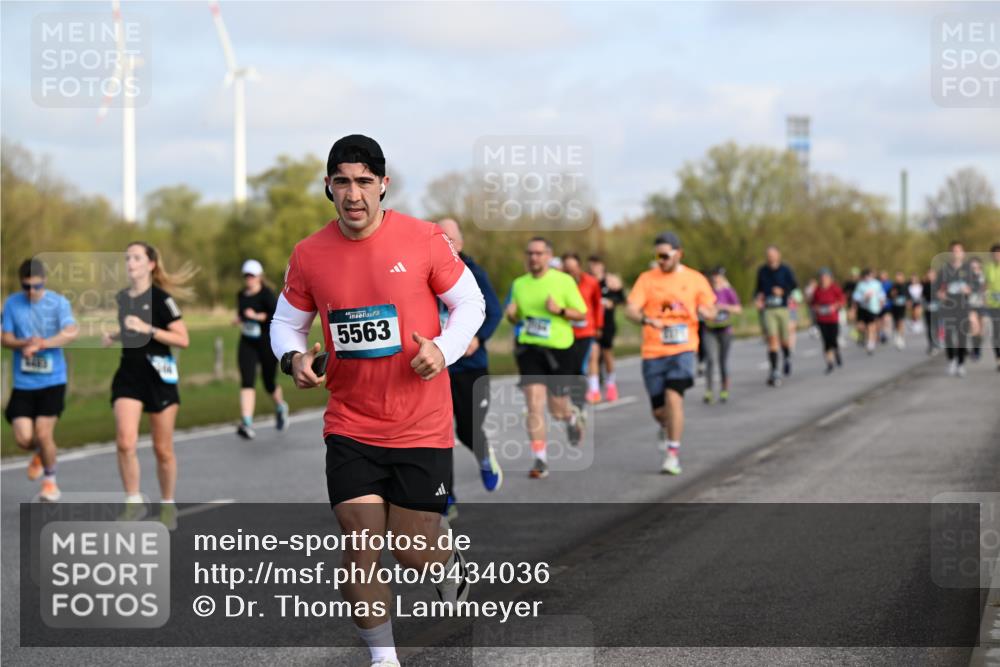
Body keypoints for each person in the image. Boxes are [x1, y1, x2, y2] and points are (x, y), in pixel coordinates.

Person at [270, 135, 484, 667]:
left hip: (421, 423)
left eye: (364, 182)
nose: (353, 194)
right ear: (328, 187)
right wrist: (293, 360)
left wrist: (444, 349)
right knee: (361, 548)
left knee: (412, 551)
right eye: (342, 181)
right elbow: (284, 324)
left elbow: (469, 302)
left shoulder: (424, 239)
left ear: (383, 185)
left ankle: (444, 559)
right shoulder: (309, 254)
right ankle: (384, 660)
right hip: (351, 425)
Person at [102, 242, 193, 529]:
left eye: (136, 257)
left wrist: (149, 329)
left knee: (162, 449)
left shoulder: (162, 300)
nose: (130, 262)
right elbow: (130, 328)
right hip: (129, 376)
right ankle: (133, 501)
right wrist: (114, 336)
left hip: (159, 378)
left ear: (150, 264)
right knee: (125, 441)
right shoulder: (122, 298)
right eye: (127, 257)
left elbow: (182, 339)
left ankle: (167, 505)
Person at [625, 232, 716, 475]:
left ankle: (672, 455)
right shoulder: (647, 279)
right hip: (653, 351)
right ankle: (666, 427)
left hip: (683, 349)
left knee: (674, 397)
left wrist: (708, 312)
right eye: (658, 256)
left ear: (679, 253)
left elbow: (710, 306)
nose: (661, 260)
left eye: (665, 255)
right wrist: (646, 318)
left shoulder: (695, 279)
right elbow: (631, 309)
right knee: (659, 411)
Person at [506, 238, 588, 479]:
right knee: (534, 403)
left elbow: (581, 313)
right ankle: (540, 459)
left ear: (549, 256)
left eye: (539, 253)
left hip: (560, 350)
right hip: (530, 349)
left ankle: (571, 418)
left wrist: (559, 311)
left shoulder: (563, 281)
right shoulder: (519, 284)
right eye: (530, 253)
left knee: (557, 409)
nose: (534, 258)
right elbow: (516, 316)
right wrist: (511, 315)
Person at [437, 218, 503, 509]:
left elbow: (494, 312)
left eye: (449, 239)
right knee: (437, 433)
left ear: (460, 244)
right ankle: (446, 496)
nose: (445, 245)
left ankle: (485, 457)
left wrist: (477, 338)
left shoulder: (474, 273)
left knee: (467, 429)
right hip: (438, 367)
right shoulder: (425, 273)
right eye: (439, 239)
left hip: (470, 366)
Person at [1, 259, 79, 502]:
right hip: (24, 384)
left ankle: (50, 483)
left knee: (44, 435)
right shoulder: (13, 304)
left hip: (52, 381)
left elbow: (71, 332)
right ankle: (40, 454)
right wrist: (23, 343)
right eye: (26, 287)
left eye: (36, 286)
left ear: (44, 281)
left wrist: (44, 343)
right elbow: (5, 338)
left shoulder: (58, 303)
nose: (31, 292)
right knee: (24, 438)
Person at [234, 259, 288, 440]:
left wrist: (256, 316)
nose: (249, 279)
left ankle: (280, 406)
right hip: (247, 342)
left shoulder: (267, 294)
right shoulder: (241, 295)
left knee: (268, 381)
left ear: (259, 277)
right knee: (247, 380)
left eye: (252, 276)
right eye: (246, 276)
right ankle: (246, 422)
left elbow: (275, 315)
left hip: (266, 341)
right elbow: (242, 313)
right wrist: (240, 319)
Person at [561, 253, 604, 406]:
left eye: (573, 269)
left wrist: (599, 326)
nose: (571, 273)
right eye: (567, 270)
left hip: (586, 330)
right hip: (566, 331)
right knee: (568, 366)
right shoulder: (560, 283)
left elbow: (598, 305)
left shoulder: (591, 282)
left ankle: (589, 392)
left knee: (581, 364)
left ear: (579, 267)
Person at [754, 245, 798, 386]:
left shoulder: (785, 270)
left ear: (778, 255)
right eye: (768, 255)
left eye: (773, 254)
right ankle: (774, 370)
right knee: (772, 338)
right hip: (768, 309)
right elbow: (758, 289)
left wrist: (783, 291)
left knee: (784, 340)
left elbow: (794, 286)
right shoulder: (762, 271)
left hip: (782, 308)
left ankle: (786, 357)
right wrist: (758, 299)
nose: (771, 257)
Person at [588, 255, 625, 401]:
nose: (594, 268)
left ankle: (611, 384)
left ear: (602, 265)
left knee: (607, 353)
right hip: (592, 324)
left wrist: (611, 302)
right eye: (591, 265)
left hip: (607, 323)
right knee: (593, 355)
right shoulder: (588, 282)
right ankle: (594, 389)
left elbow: (621, 299)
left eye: (596, 265)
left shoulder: (610, 281)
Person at [934, 241, 973, 377]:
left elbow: (975, 289)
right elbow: (937, 289)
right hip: (948, 307)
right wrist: (940, 294)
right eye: (954, 250)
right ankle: (951, 360)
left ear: (963, 253)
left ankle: (961, 364)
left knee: (962, 336)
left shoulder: (968, 269)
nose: (956, 253)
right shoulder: (944, 270)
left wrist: (968, 290)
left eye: (959, 250)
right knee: (949, 336)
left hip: (963, 307)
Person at [702, 268, 741, 404]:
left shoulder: (728, 291)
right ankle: (708, 390)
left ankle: (724, 390)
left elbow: (738, 309)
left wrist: (723, 307)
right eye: (714, 277)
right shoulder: (707, 291)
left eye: (719, 277)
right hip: (709, 329)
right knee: (710, 360)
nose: (716, 279)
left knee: (722, 361)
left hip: (725, 329)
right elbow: (700, 306)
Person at [809, 268, 846, 373]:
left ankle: (837, 352)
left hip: (833, 318)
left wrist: (835, 306)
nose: (823, 279)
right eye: (821, 277)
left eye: (825, 277)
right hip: (821, 319)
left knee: (833, 340)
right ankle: (829, 363)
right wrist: (816, 308)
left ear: (830, 278)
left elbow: (842, 300)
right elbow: (812, 303)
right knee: (826, 342)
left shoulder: (835, 288)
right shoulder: (817, 290)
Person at [851, 268, 885, 355]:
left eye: (869, 275)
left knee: (871, 326)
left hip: (873, 308)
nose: (868, 277)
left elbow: (881, 294)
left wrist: (881, 303)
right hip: (862, 308)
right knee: (861, 326)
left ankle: (871, 344)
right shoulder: (860, 285)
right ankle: (865, 338)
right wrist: (862, 298)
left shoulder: (877, 284)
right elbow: (855, 296)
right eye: (866, 276)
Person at [984, 243, 1000, 372]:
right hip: (993, 305)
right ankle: (998, 358)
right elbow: (984, 285)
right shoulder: (988, 268)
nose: (997, 256)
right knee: (996, 332)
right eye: (995, 253)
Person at [968, 257, 986, 361]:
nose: (974, 267)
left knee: (980, 331)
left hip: (982, 305)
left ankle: (978, 349)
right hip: (971, 305)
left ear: (980, 265)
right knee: (974, 328)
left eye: (976, 265)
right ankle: (975, 351)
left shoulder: (984, 276)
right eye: (972, 266)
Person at [887, 271, 910, 350]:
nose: (898, 278)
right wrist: (892, 294)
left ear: (903, 277)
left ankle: (900, 338)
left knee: (901, 322)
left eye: (900, 277)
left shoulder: (905, 286)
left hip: (902, 307)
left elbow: (908, 296)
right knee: (896, 322)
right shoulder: (893, 286)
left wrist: (908, 302)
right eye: (897, 277)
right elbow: (889, 296)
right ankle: (897, 334)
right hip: (895, 307)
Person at [922, 268, 939, 354]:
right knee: (929, 327)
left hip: (938, 309)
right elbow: (923, 297)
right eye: (928, 274)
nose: (930, 276)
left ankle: (936, 343)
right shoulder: (925, 285)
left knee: (936, 327)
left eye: (931, 274)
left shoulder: (939, 284)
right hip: (928, 309)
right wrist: (925, 305)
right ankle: (931, 344)